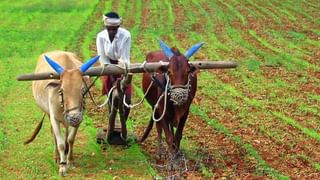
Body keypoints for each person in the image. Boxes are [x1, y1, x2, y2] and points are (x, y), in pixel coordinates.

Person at [96, 11, 132, 120]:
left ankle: (123, 122)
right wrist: (111, 76)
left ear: (118, 27)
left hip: (123, 66)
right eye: (109, 29)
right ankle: (111, 119)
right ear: (105, 27)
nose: (112, 31)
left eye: (114, 29)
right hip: (108, 66)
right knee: (111, 97)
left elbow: (124, 57)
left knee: (127, 99)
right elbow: (102, 57)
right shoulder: (101, 36)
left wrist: (122, 78)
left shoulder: (126, 35)